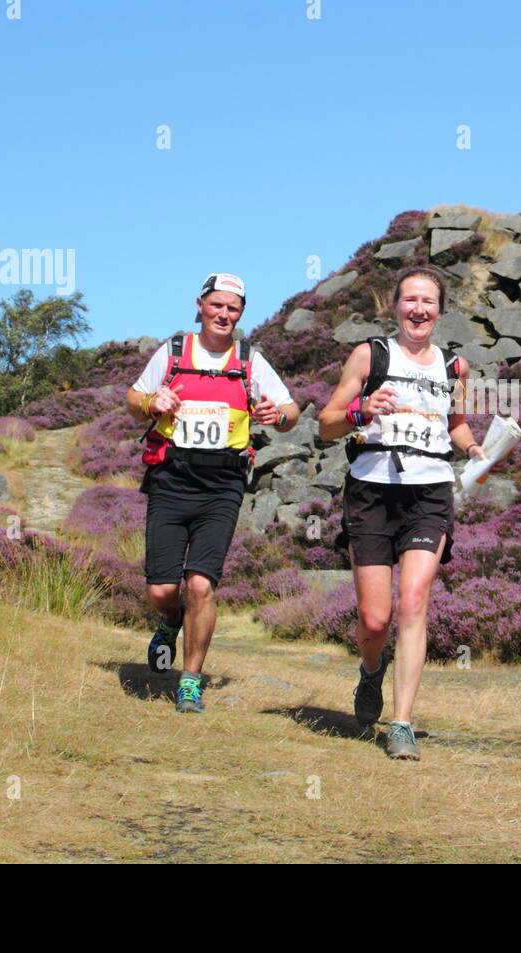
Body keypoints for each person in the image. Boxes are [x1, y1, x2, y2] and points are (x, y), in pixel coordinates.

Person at [318, 265, 486, 759]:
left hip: (429, 493)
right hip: (371, 492)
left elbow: (455, 425)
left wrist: (475, 448)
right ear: (395, 306)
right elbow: (326, 425)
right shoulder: (371, 355)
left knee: (413, 602)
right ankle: (372, 668)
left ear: (440, 310)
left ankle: (402, 724)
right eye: (410, 300)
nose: (419, 310)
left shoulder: (455, 367)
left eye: (428, 302)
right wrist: (361, 412)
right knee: (375, 619)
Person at [125, 273, 299, 713]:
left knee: (201, 584)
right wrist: (151, 404)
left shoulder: (249, 360)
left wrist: (275, 414)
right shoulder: (173, 352)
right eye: (217, 305)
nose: (224, 315)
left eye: (233, 309)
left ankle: (190, 681)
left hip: (223, 485)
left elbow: (292, 412)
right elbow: (133, 398)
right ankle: (169, 623)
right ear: (199, 306)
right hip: (171, 477)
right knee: (163, 591)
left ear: (241, 314)